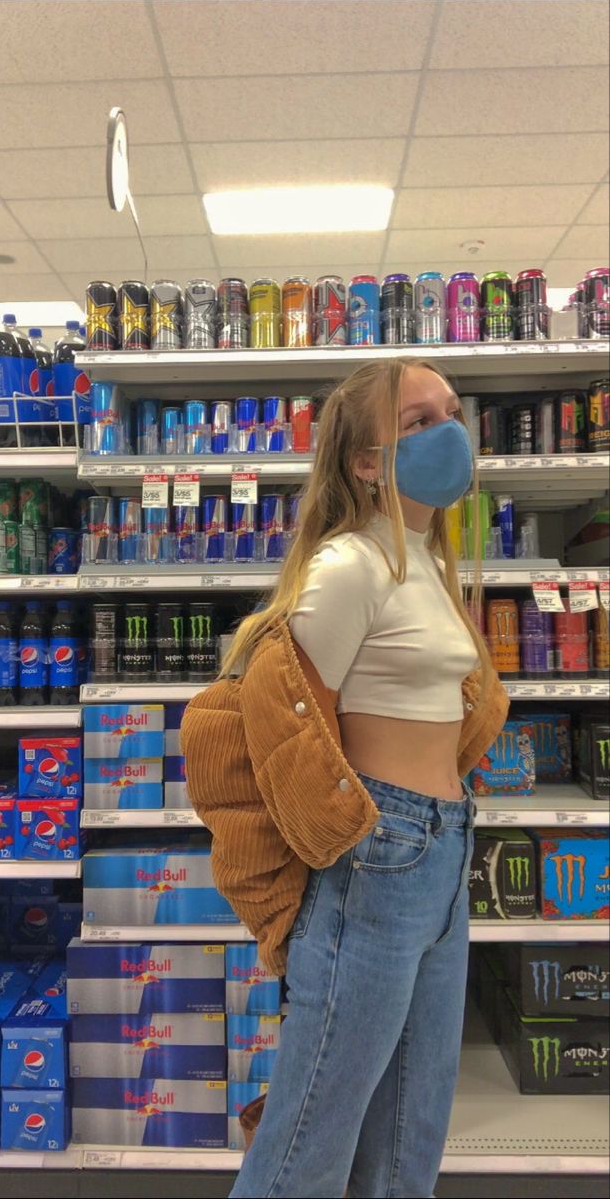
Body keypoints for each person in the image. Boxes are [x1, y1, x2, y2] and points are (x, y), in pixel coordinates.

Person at [182, 359, 509, 1199]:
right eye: (415, 422)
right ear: (365, 462)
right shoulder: (350, 567)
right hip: (381, 856)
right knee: (311, 1136)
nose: (448, 431)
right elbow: (263, 718)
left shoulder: (427, 564)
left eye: (450, 411)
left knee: (409, 1131)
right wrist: (321, 858)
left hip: (439, 855)